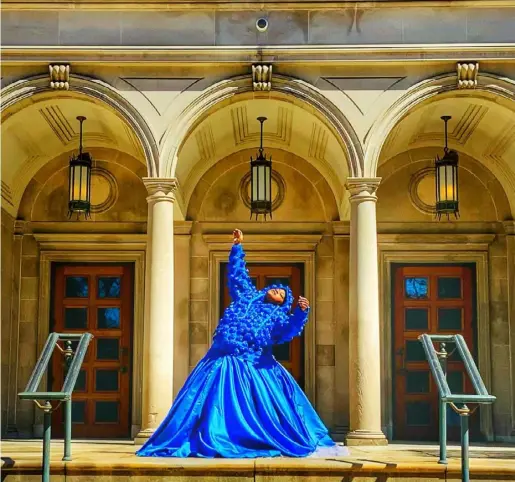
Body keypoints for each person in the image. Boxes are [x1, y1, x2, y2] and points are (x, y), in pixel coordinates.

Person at [137, 229, 349, 458]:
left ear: (284, 303)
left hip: (253, 365)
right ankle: (208, 435)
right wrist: (237, 247)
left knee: (257, 407)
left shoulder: (278, 317)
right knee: (207, 404)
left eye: (283, 294)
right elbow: (237, 275)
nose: (278, 290)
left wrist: (299, 312)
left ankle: (253, 437)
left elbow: (288, 331)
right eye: (275, 288)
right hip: (220, 358)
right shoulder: (246, 297)